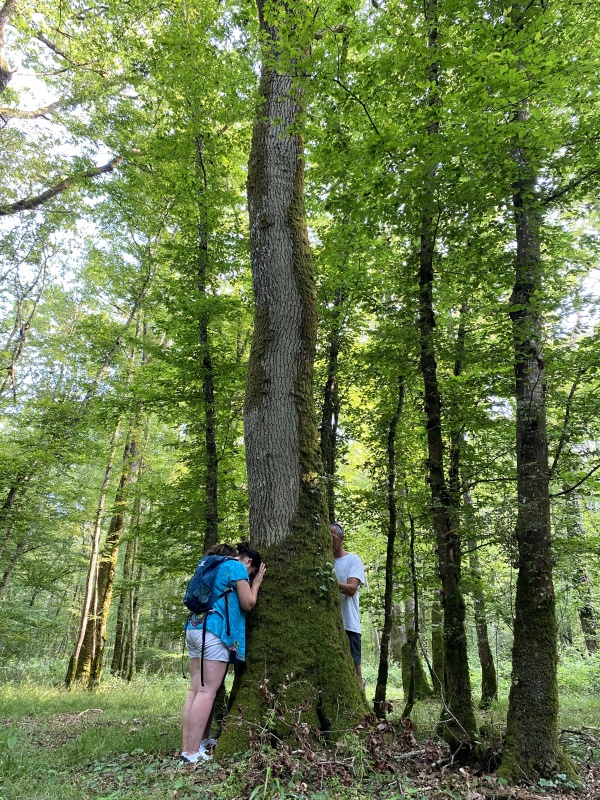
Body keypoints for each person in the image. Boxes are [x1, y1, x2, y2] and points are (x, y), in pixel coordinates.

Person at [180, 541, 266, 764]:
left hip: (195, 628)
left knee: (195, 690)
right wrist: (255, 584)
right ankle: (191, 755)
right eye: (252, 571)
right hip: (214, 631)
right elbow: (247, 603)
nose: (249, 575)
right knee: (207, 691)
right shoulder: (236, 566)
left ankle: (193, 746)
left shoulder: (211, 565)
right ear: (248, 561)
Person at [331, 522, 365, 690]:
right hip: (329, 624)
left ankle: (361, 703)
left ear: (341, 538)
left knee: (355, 669)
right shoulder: (325, 562)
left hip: (349, 624)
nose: (329, 541)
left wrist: (330, 582)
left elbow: (351, 589)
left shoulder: (353, 560)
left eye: (332, 537)